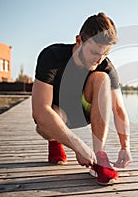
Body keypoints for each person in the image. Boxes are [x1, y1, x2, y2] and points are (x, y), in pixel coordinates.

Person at [32, 12, 132, 185]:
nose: (99, 59)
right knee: (47, 118)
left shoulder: (104, 65)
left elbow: (119, 110)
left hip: (83, 113)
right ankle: (55, 141)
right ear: (78, 40)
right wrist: (78, 146)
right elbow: (40, 111)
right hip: (56, 115)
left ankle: (100, 157)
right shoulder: (52, 56)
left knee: (102, 78)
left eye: (105, 53)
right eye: (94, 52)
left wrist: (125, 147)